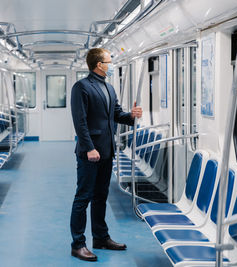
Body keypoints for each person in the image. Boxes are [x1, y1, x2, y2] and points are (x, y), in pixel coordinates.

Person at [70, 48, 142, 261]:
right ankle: (78, 244)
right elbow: (80, 122)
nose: (111, 64)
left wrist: (131, 116)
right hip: (90, 152)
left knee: (101, 196)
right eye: (108, 61)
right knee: (83, 198)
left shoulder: (109, 88)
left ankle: (100, 238)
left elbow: (116, 114)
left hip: (107, 151)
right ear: (99, 64)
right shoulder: (81, 87)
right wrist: (90, 147)